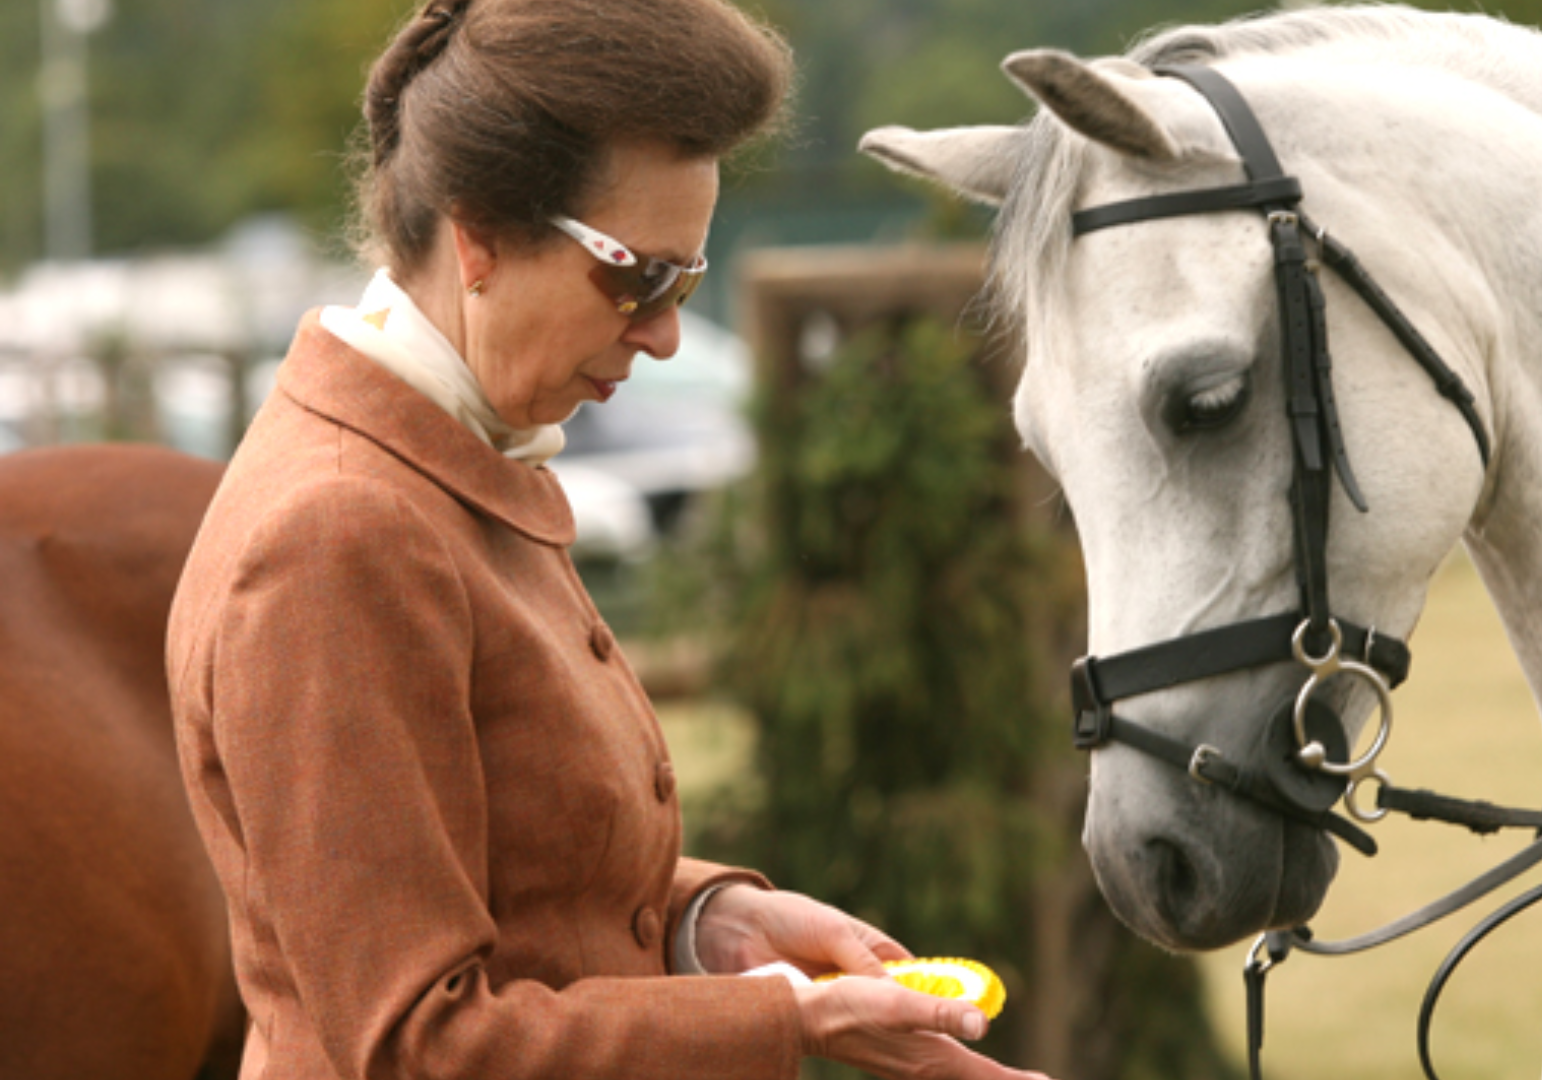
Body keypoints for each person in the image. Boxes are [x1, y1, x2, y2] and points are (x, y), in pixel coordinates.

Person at [165, 2, 1052, 1078]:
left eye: (686, 282)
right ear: (478, 231)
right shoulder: (341, 533)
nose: (668, 331)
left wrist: (704, 924)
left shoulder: (450, 461)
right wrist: (791, 1024)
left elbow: (509, 863)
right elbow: (416, 1047)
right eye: (639, 277)